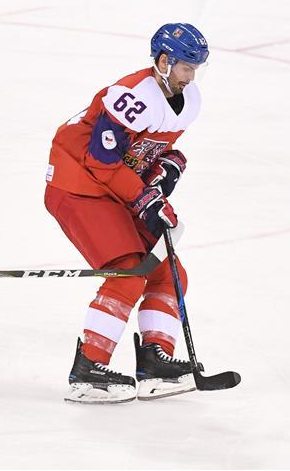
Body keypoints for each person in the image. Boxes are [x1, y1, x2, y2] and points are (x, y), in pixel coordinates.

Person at [43, 23, 209, 403]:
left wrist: (167, 165)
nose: (190, 76)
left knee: (170, 272)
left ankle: (155, 361)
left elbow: (146, 152)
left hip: (114, 187)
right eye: (185, 67)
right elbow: (101, 162)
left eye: (195, 69)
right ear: (164, 61)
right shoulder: (132, 96)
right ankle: (88, 369)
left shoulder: (189, 100)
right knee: (129, 270)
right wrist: (145, 199)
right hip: (78, 185)